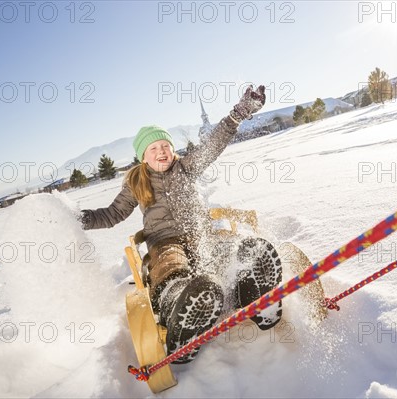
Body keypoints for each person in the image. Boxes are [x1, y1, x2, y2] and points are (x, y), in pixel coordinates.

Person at [79, 85, 282, 363]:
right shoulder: (136, 183)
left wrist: (239, 113)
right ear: (143, 156)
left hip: (200, 233)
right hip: (164, 241)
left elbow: (215, 143)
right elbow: (111, 214)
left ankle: (250, 288)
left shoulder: (187, 166)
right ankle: (181, 310)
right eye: (154, 149)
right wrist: (80, 219)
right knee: (172, 265)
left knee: (227, 251)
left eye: (165, 146)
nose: (162, 152)